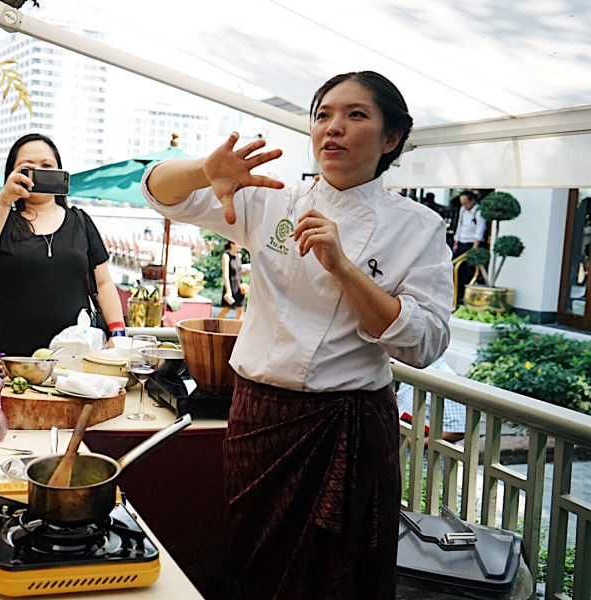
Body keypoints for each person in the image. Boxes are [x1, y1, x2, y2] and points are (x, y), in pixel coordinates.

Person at [143, 71, 453, 599]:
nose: (333, 127)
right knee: (255, 567)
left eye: (356, 115)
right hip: (259, 417)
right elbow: (159, 194)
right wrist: (202, 170)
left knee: (341, 579)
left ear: (391, 138)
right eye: (322, 115)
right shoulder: (273, 199)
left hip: (349, 424)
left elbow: (424, 344)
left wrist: (344, 267)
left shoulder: (418, 227)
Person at [0, 133, 125, 355]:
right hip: (2, 359)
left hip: (71, 358)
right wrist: (5, 197)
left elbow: (103, 283)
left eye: (47, 166)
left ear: (59, 171)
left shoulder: (80, 221)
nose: (38, 172)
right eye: (27, 167)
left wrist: (117, 332)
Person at [452, 190, 486, 302]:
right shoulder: (463, 210)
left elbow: (479, 232)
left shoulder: (479, 212)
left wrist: (474, 249)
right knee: (454, 268)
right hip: (461, 242)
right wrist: (456, 242)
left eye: (466, 203)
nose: (464, 205)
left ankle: (462, 296)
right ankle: (454, 294)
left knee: (466, 272)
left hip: (471, 244)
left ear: (472, 201)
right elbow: (459, 226)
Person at [217, 240, 245, 320]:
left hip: (239, 287)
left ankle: (238, 328)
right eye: (238, 244)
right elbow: (225, 274)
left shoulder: (239, 256)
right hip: (230, 286)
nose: (240, 246)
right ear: (232, 244)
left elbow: (239, 272)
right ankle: (214, 324)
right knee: (225, 310)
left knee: (240, 311)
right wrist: (228, 291)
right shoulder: (226, 256)